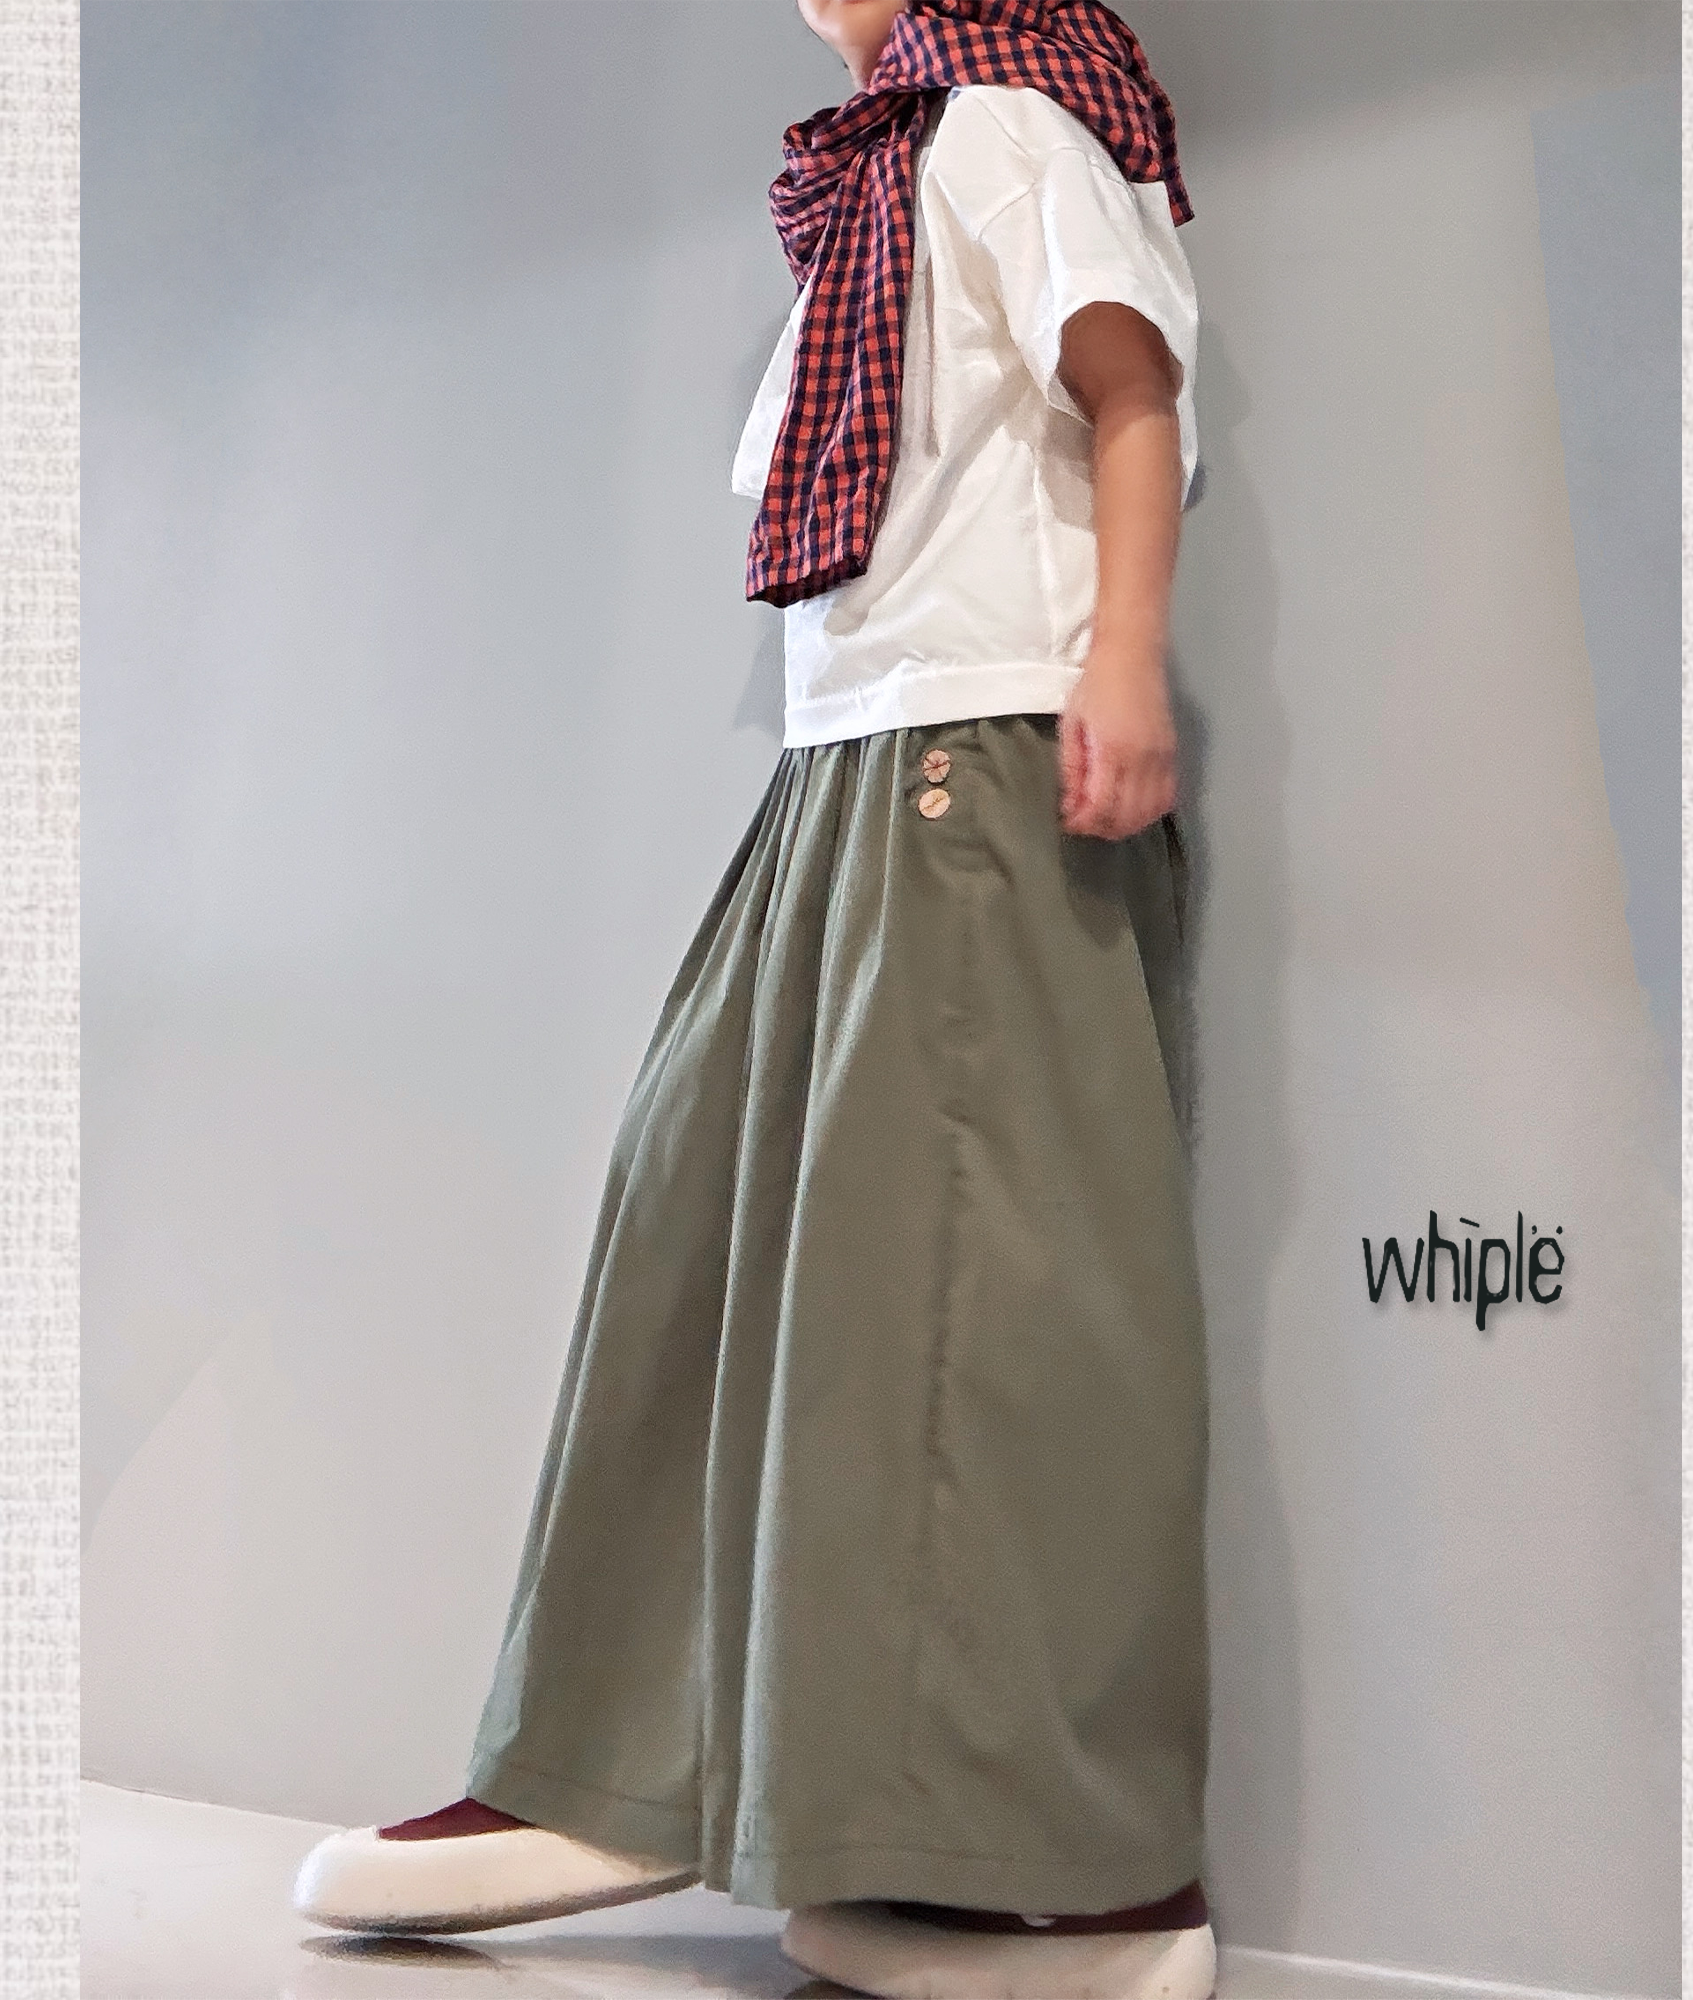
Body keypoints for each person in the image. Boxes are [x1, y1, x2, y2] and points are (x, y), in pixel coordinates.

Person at [293, 2, 1214, 1994]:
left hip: (983, 750)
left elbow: (1131, 394)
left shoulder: (1009, 125)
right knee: (709, 1241)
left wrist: (1123, 664)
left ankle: (1061, 1863)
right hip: (851, 768)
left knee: (977, 1310)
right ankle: (635, 1756)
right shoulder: (884, 159)